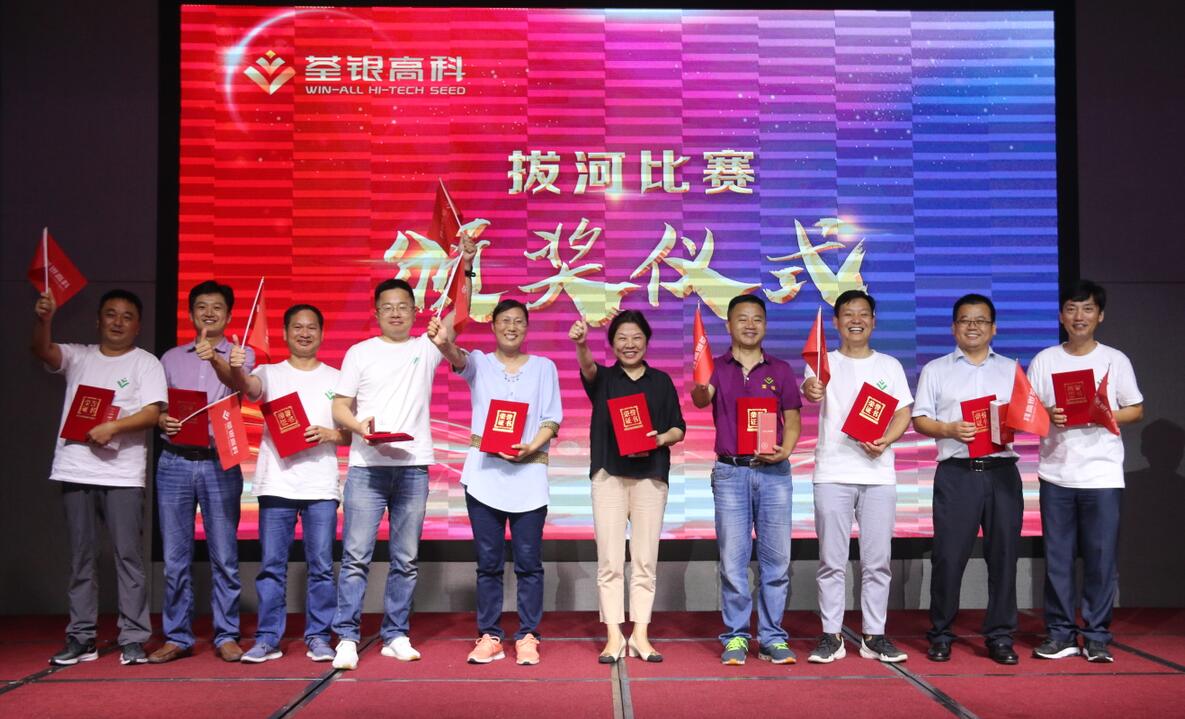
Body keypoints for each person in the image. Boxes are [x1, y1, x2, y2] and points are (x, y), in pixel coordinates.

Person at [330, 237, 475, 670]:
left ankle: (395, 633)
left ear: (414, 312)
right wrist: (359, 427)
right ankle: (347, 637)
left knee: (405, 559)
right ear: (376, 313)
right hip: (366, 469)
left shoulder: (426, 347)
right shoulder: (359, 353)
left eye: (403, 306)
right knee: (355, 558)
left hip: (412, 469)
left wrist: (467, 262)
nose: (395, 313)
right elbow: (340, 406)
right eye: (388, 307)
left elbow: (460, 310)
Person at [32, 289, 166, 666]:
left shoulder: (146, 363)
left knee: (129, 558)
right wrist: (44, 319)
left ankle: (133, 638)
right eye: (111, 314)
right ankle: (81, 637)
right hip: (75, 469)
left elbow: (153, 413)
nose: (118, 322)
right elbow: (42, 350)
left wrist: (114, 427)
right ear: (98, 320)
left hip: (123, 475)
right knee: (81, 558)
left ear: (137, 326)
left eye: (127, 316)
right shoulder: (80, 356)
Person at [429, 299, 561, 666]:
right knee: (488, 562)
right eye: (504, 321)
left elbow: (551, 419)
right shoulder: (480, 363)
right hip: (484, 478)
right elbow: (455, 356)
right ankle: (489, 635)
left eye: (518, 321)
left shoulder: (544, 367)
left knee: (529, 563)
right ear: (493, 326)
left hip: (529, 477)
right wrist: (443, 342)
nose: (511, 327)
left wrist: (531, 446)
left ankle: (528, 636)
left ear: (527, 327)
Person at [217, 304, 350, 663]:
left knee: (321, 567)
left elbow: (351, 434)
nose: (304, 333)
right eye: (297, 328)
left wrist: (329, 434)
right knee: (272, 567)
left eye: (311, 328)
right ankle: (267, 638)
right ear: (285, 333)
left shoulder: (338, 378)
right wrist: (236, 366)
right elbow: (246, 387)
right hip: (276, 484)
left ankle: (319, 636)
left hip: (321, 487)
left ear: (322, 334)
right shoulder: (268, 372)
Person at [1027, 280, 1142, 663]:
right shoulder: (1045, 360)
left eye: (1088, 309)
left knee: (1100, 560)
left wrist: (1104, 415)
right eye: (1072, 309)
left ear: (1100, 316)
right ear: (1061, 316)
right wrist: (1048, 413)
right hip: (1056, 475)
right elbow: (1029, 413)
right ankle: (1060, 633)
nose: (1079, 316)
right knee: (1057, 560)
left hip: (1102, 476)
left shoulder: (1115, 359)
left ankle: (1096, 636)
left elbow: (1136, 409)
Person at [691, 295, 802, 666]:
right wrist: (700, 383)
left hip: (774, 474)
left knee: (777, 561)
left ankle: (772, 638)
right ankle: (736, 635)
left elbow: (793, 419)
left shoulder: (781, 369)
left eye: (757, 319)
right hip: (731, 473)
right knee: (733, 562)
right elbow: (700, 399)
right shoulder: (715, 368)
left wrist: (785, 451)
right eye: (742, 318)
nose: (750, 325)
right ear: (729, 325)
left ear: (765, 325)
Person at [802, 289, 912, 665]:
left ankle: (873, 635)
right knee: (831, 561)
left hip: (878, 474)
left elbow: (903, 412)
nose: (856, 320)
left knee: (877, 561)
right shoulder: (823, 362)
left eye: (863, 313)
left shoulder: (889, 366)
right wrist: (811, 387)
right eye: (848, 314)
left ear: (873, 321)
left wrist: (887, 440)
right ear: (836, 322)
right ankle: (831, 635)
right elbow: (811, 391)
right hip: (832, 473)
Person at [913, 294, 1023, 665]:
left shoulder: (1012, 370)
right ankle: (941, 634)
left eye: (980, 320)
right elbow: (920, 419)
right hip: (957, 473)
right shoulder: (936, 370)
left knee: (1004, 556)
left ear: (994, 328)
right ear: (954, 327)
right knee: (948, 556)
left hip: (1002, 472)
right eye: (965, 320)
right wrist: (948, 429)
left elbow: (1028, 416)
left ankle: (1001, 636)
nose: (972, 326)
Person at [570, 310, 685, 664]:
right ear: (612, 344)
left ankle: (641, 635)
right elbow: (587, 366)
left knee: (645, 560)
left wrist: (658, 438)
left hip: (651, 477)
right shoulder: (604, 379)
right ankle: (613, 636)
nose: (629, 344)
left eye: (636, 337)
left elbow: (678, 428)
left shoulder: (661, 381)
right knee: (610, 560)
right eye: (621, 338)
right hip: (610, 477)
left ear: (647, 341)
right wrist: (581, 344)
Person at [150, 280, 255, 663]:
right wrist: (162, 420)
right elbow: (157, 407)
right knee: (175, 557)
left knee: (224, 554)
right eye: (201, 307)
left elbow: (240, 386)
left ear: (228, 315)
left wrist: (215, 359)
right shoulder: (170, 358)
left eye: (217, 308)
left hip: (219, 459)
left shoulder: (242, 354)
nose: (209, 313)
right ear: (191, 313)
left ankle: (226, 634)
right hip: (174, 461)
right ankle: (177, 636)